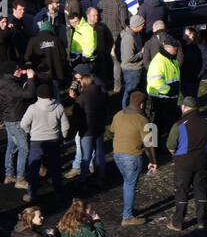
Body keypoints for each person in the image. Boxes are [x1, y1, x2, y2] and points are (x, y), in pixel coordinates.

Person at [166, 97, 207, 231]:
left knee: (182, 191)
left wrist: (175, 153)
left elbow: (170, 145)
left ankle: (178, 222)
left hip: (183, 163)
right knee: (201, 189)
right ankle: (202, 220)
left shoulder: (179, 125)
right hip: (201, 161)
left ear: (184, 107)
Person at [20, 82, 69, 201]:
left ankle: (31, 193)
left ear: (38, 95)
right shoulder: (59, 106)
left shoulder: (32, 108)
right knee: (55, 167)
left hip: (36, 141)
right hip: (53, 140)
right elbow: (66, 126)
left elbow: (23, 124)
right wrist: (62, 137)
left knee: (34, 168)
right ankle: (58, 191)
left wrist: (30, 132)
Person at [110, 91, 152, 225]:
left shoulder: (118, 114)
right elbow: (150, 144)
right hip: (132, 156)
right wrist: (153, 161)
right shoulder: (143, 120)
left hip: (117, 155)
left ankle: (128, 208)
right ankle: (127, 216)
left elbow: (112, 131)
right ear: (141, 104)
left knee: (127, 182)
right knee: (130, 185)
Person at [146, 39, 182, 164]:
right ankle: (158, 148)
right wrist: (169, 91)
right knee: (161, 124)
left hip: (170, 98)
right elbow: (156, 82)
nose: (176, 50)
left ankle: (163, 146)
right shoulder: (159, 62)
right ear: (167, 47)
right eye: (174, 48)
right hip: (161, 99)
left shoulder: (171, 59)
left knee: (165, 124)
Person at [0, 67, 35, 187]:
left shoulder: (4, 82)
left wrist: (22, 75)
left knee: (11, 146)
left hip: (8, 118)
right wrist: (30, 79)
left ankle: (9, 175)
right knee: (24, 148)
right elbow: (28, 94)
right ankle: (20, 179)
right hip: (16, 119)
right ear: (11, 73)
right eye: (17, 70)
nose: (20, 71)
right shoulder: (11, 85)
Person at [74, 73, 109, 188]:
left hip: (87, 130)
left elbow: (76, 113)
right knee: (99, 154)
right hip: (99, 128)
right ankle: (101, 176)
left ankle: (83, 178)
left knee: (86, 155)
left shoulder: (82, 97)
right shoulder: (102, 94)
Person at [24, 19, 67, 87]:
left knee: (41, 92)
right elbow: (64, 56)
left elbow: (27, 57)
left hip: (39, 74)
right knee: (55, 92)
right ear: (51, 29)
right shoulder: (57, 40)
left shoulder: (33, 40)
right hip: (55, 74)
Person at [118, 15, 146, 107]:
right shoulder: (129, 38)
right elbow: (128, 58)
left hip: (136, 68)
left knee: (134, 92)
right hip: (131, 70)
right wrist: (141, 53)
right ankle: (125, 110)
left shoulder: (136, 34)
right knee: (129, 93)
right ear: (136, 26)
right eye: (142, 25)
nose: (143, 27)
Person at [88, 6, 115, 89]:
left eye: (97, 15)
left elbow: (109, 40)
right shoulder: (85, 28)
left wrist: (106, 51)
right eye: (94, 15)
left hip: (102, 57)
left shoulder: (102, 27)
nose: (97, 17)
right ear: (88, 16)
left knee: (102, 80)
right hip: (90, 59)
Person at [179, 27, 207, 101]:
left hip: (194, 77)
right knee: (185, 95)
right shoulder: (182, 45)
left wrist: (200, 74)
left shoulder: (200, 45)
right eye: (185, 34)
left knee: (192, 96)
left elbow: (205, 61)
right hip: (183, 76)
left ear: (193, 34)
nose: (185, 36)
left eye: (188, 34)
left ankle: (192, 109)